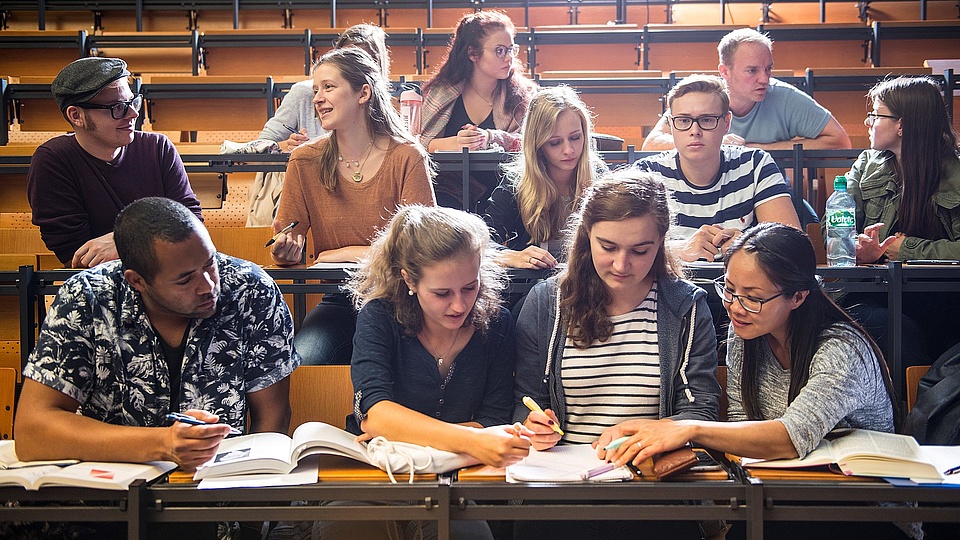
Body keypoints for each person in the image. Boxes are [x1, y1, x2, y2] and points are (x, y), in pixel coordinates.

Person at [602, 223, 913, 540]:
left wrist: (686, 428)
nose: (735, 307)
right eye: (729, 289)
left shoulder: (841, 350)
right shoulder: (746, 332)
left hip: (865, 514)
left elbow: (791, 437)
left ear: (798, 297)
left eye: (753, 297)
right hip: (783, 502)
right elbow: (741, 422)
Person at [13, 197, 299, 539]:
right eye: (185, 280)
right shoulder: (87, 298)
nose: (208, 285)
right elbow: (32, 431)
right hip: (104, 504)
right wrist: (162, 443)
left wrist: (251, 527)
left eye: (210, 264)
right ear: (137, 281)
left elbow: (272, 420)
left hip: (215, 505)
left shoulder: (251, 291)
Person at [512, 170, 720, 540]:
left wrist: (653, 435)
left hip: (652, 486)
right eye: (607, 247)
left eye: (640, 251)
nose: (622, 265)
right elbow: (526, 401)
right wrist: (534, 428)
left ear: (661, 243)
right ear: (585, 236)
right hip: (563, 485)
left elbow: (698, 410)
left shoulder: (684, 307)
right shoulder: (547, 303)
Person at [340, 204, 531, 540]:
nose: (459, 305)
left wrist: (406, 432)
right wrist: (471, 440)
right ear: (408, 280)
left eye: (470, 287)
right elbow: (375, 414)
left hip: (459, 478)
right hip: (375, 473)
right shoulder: (379, 316)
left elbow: (494, 417)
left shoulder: (497, 322)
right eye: (442, 293)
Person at [270, 47, 435, 365]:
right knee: (302, 365)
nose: (317, 97)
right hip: (340, 299)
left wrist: (341, 253)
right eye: (316, 89)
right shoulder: (304, 160)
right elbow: (288, 240)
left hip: (400, 300)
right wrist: (284, 250)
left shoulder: (406, 156)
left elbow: (420, 250)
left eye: (329, 87)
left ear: (363, 93)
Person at [27, 57, 203, 268]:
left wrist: (123, 242)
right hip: (104, 286)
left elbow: (191, 224)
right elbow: (79, 255)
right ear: (76, 116)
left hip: (173, 272)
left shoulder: (158, 147)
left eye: (132, 102)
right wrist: (159, 238)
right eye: (117, 107)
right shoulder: (53, 160)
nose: (133, 114)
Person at [844, 76, 960, 367]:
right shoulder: (866, 164)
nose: (868, 122)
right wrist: (857, 246)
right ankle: (906, 410)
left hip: (943, 293)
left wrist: (908, 251)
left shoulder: (956, 173)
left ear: (902, 125)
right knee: (894, 332)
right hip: (875, 290)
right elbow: (836, 220)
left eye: (876, 114)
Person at [633, 74, 800, 263]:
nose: (694, 131)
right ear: (671, 125)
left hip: (742, 287)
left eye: (706, 120)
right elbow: (629, 249)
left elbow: (792, 248)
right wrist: (678, 250)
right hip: (669, 288)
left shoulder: (756, 164)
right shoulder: (647, 173)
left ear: (727, 123)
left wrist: (748, 248)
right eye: (683, 120)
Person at [248, 24, 391, 226]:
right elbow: (259, 145)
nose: (318, 98)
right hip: (311, 202)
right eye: (345, 58)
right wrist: (284, 146)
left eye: (361, 61)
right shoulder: (304, 94)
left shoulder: (391, 117)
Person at [641, 28, 851, 151]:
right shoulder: (702, 96)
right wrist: (716, 144)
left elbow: (841, 141)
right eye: (752, 70)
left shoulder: (786, 97)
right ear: (724, 71)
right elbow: (651, 144)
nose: (764, 79)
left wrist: (756, 149)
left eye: (768, 69)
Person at [419, 10, 538, 209]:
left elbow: (532, 143)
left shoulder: (524, 94)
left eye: (511, 49)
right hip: (447, 191)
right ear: (473, 53)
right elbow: (417, 144)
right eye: (500, 50)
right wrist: (456, 143)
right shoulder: (440, 92)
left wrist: (491, 137)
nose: (508, 58)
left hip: (506, 191)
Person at [484, 85, 607, 270]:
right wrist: (511, 256)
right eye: (555, 142)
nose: (568, 150)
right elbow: (483, 244)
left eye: (575, 138)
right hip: (533, 289)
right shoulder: (515, 184)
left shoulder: (599, 177)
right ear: (537, 145)